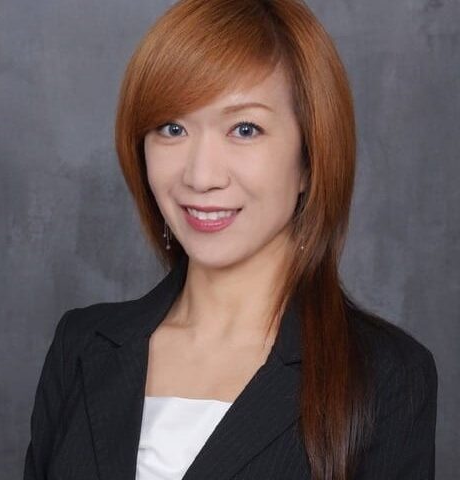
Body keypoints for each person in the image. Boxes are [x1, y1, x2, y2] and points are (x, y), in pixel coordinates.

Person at [23, 1, 438, 479]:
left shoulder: (384, 376)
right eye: (172, 128)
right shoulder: (82, 347)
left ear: (309, 159)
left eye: (245, 129)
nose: (201, 176)